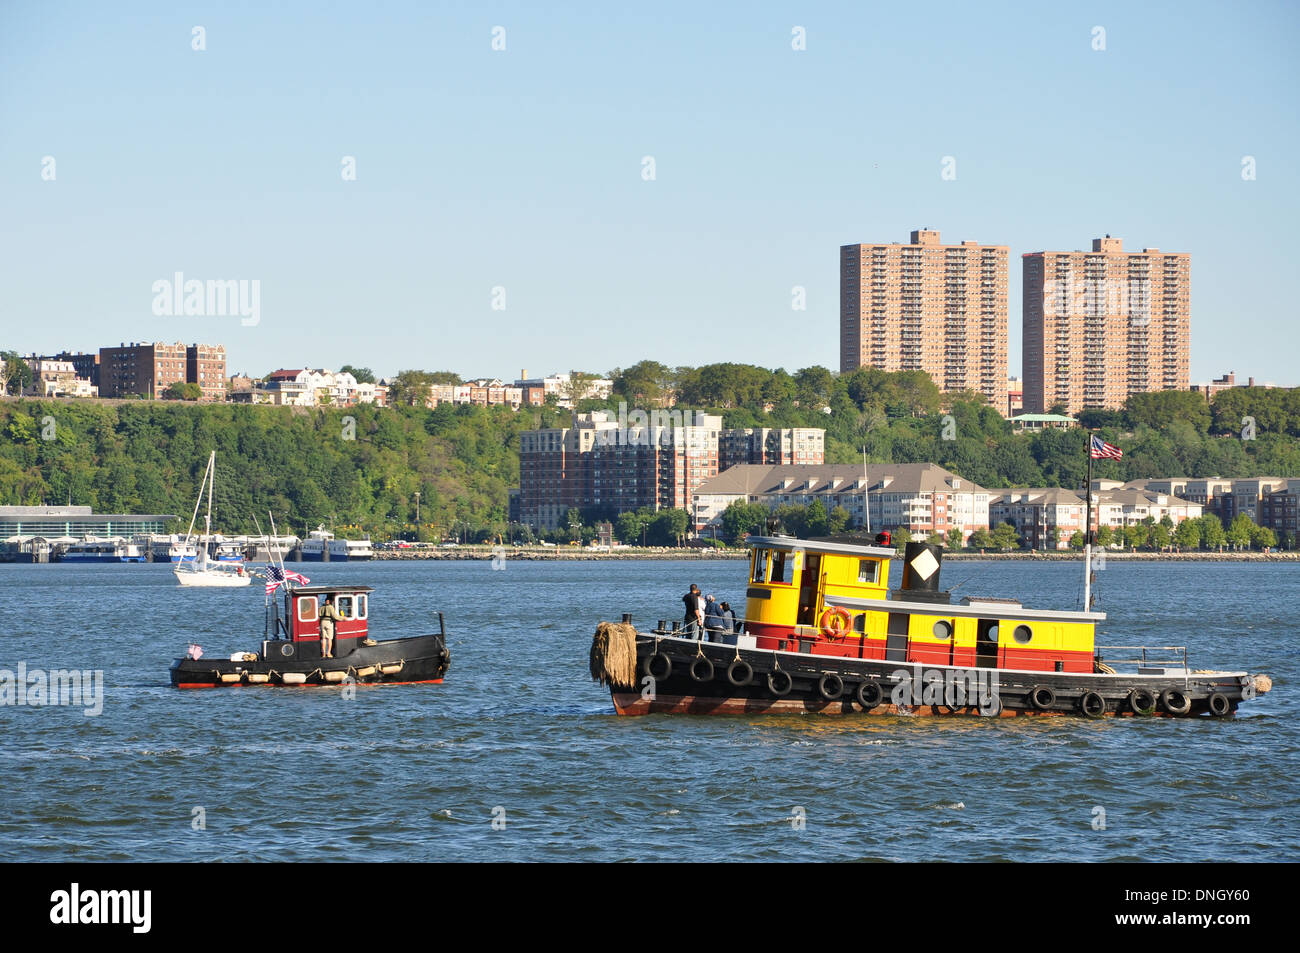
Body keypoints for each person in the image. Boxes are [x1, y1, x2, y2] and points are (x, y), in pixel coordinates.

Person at [320, 593, 343, 659]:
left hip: (322, 622)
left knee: (324, 639)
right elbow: (335, 616)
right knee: (329, 639)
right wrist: (343, 618)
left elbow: (319, 615)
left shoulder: (321, 607)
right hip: (329, 622)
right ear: (330, 601)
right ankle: (329, 653)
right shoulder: (331, 607)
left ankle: (323, 653)